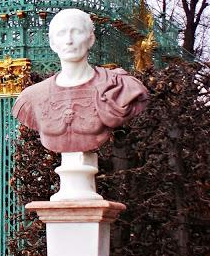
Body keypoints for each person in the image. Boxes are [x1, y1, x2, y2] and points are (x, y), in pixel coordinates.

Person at [12, 8, 149, 153]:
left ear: (91, 39)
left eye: (76, 32)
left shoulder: (119, 86)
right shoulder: (30, 98)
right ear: (52, 43)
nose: (69, 40)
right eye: (61, 33)